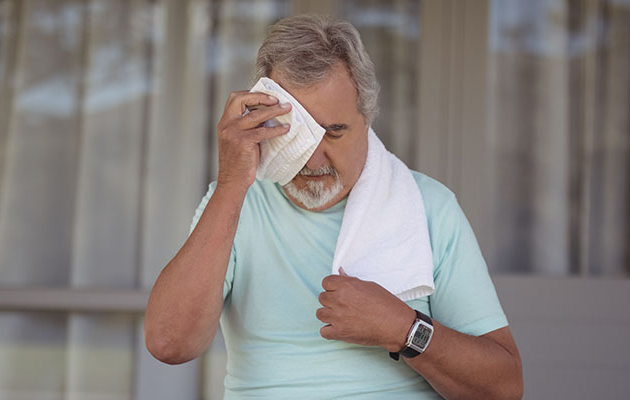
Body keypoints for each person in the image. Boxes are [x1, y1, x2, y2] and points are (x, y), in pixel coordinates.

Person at [144, 14, 523, 399]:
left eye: (334, 131)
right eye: (294, 133)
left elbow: (504, 388)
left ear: (367, 120)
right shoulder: (233, 203)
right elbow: (169, 344)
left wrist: (404, 330)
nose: (312, 160)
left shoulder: (430, 208)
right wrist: (230, 184)